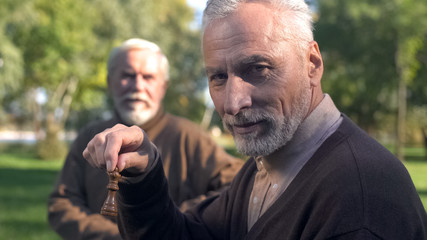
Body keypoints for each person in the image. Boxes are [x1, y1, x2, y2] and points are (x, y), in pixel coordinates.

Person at [83, 1, 427, 239]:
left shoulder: (359, 201)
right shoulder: (267, 165)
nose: (233, 102)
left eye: (258, 69)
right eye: (218, 77)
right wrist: (144, 172)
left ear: (312, 64)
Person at [47, 38, 243, 239]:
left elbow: (236, 187)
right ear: (109, 82)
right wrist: (119, 236)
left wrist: (170, 221)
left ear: (163, 86)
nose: (137, 86)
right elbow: (62, 204)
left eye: (148, 77)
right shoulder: (90, 137)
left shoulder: (190, 136)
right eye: (127, 75)